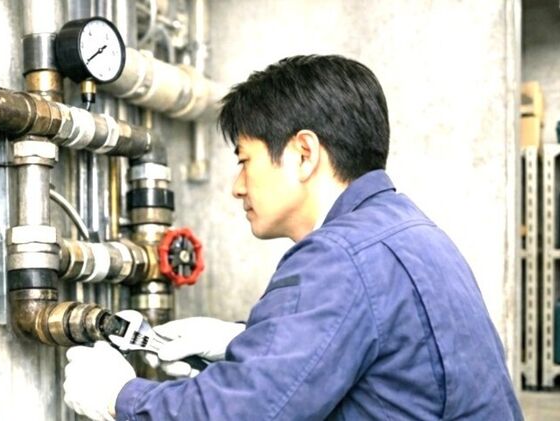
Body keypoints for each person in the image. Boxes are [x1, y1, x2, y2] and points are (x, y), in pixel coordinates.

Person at [63, 54, 524, 420]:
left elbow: (243, 413)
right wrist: (239, 341)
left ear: (304, 153)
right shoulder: (408, 231)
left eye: (244, 160)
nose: (237, 186)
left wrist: (119, 396)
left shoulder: (340, 257)